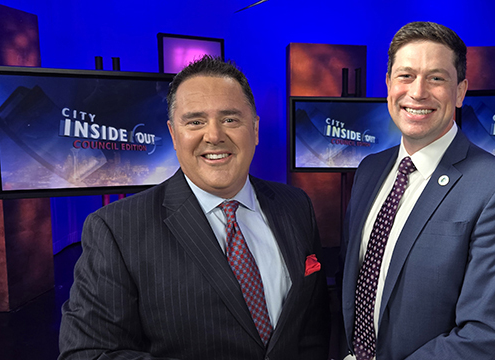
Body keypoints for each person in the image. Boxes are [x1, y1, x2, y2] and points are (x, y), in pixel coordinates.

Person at [59, 55, 330, 360]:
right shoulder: (116, 230)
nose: (214, 136)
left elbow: (312, 327)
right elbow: (87, 354)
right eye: (195, 122)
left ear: (254, 130)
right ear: (174, 135)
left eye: (230, 119)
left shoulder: (296, 206)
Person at [341, 22, 495, 359]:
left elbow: (485, 338)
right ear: (388, 85)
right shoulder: (369, 170)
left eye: (436, 78)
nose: (417, 92)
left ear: (460, 91)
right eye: (405, 76)